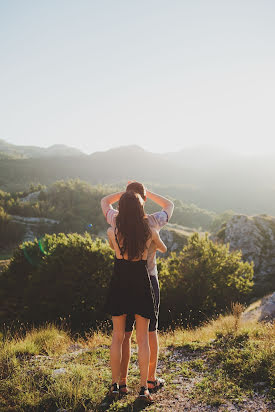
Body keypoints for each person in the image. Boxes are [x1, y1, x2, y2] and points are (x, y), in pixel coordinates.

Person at [101, 182, 174, 396]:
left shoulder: (115, 222)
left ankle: (120, 383)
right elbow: (170, 205)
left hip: (121, 281)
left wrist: (126, 195)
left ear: (124, 202)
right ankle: (148, 382)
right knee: (148, 333)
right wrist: (146, 193)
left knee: (121, 335)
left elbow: (104, 202)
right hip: (146, 281)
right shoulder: (152, 222)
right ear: (143, 201)